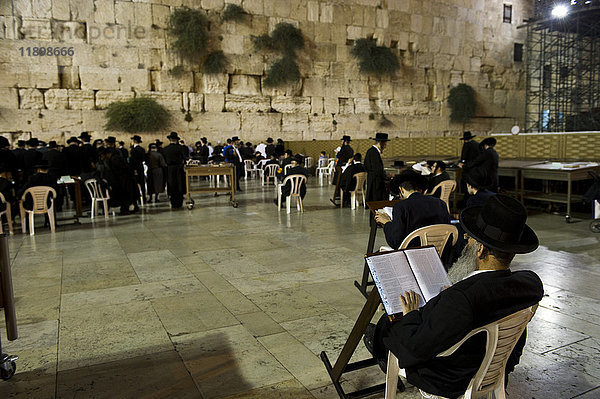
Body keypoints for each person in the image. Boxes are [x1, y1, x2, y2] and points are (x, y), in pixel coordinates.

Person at [364, 194, 543, 399]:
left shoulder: (462, 299)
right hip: (495, 364)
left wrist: (411, 314)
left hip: (449, 377)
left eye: (469, 240)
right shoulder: (530, 285)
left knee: (387, 328)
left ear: (480, 249)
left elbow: (413, 350)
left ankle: (376, 343)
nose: (466, 243)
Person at [375, 170, 450, 250]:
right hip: (439, 252)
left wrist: (386, 223)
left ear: (401, 190)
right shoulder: (440, 203)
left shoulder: (401, 206)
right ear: (420, 190)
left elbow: (395, 241)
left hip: (413, 254)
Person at [162, 132, 187, 209]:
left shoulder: (165, 149)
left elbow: (164, 160)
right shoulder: (181, 148)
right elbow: (184, 159)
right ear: (176, 140)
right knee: (179, 184)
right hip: (179, 168)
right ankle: (179, 202)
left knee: (171, 184)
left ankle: (173, 202)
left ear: (169, 140)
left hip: (170, 169)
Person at [364, 132, 390, 203]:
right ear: (380, 142)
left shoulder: (372, 151)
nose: (385, 146)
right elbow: (377, 170)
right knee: (376, 205)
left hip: (375, 183)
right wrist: (385, 176)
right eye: (385, 143)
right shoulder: (373, 152)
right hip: (376, 185)